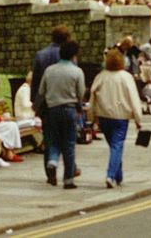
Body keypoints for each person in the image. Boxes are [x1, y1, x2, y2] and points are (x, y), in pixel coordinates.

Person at [90, 49, 143, 189]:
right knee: (117, 145)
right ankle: (111, 175)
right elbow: (134, 99)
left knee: (114, 146)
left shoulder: (101, 76)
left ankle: (118, 176)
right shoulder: (126, 77)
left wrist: (92, 117)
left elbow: (92, 96)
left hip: (104, 116)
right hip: (121, 117)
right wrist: (138, 119)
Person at [37, 39, 85, 189]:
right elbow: (81, 93)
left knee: (53, 140)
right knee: (69, 144)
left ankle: (52, 161)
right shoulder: (77, 71)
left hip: (52, 110)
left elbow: (41, 91)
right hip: (69, 110)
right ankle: (68, 180)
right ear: (74, 55)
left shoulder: (49, 70)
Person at [31, 25, 71, 169]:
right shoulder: (67, 55)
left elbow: (35, 81)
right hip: (66, 101)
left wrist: (34, 102)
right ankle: (70, 169)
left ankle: (50, 171)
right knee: (67, 138)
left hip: (46, 103)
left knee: (49, 138)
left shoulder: (41, 55)